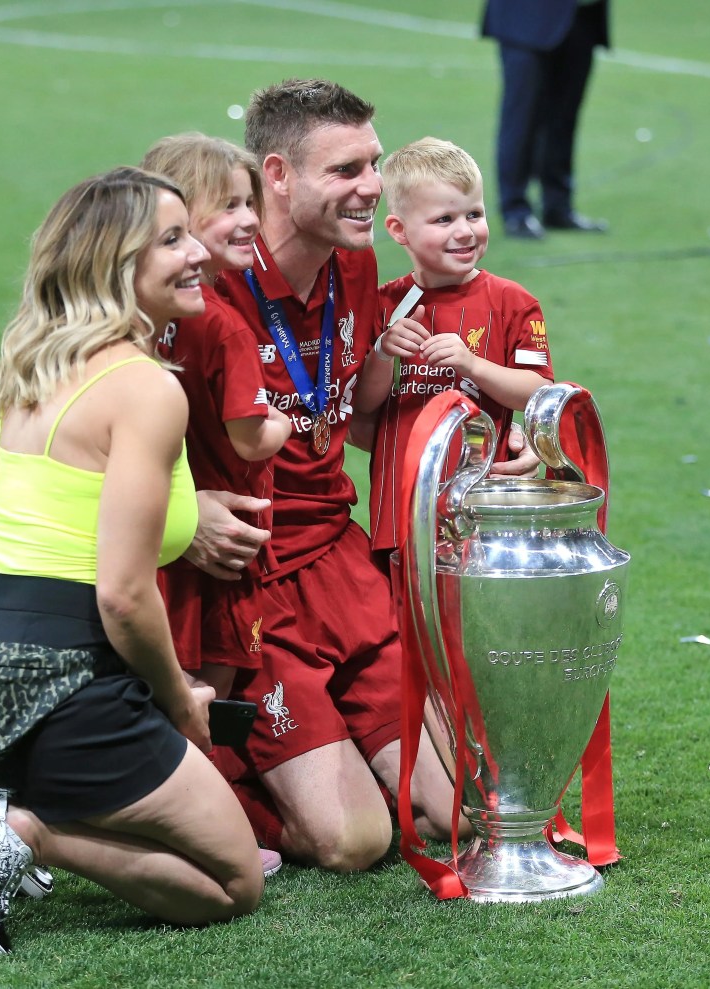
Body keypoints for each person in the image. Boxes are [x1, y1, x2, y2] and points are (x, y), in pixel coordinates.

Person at [0, 167, 272, 956]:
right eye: (173, 240)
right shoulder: (145, 388)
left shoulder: (35, 358)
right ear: (117, 263)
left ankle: (32, 808)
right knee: (235, 881)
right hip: (68, 687)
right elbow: (121, 594)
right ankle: (21, 830)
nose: (201, 256)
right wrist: (177, 696)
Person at [188, 78, 460, 872]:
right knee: (355, 839)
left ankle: (325, 744)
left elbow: (353, 413)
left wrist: (478, 446)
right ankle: (202, 780)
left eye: (373, 164)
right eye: (346, 171)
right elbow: (108, 412)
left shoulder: (357, 262)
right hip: (252, 580)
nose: (373, 187)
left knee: (454, 808)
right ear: (277, 175)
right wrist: (185, 505)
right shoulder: (203, 278)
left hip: (339, 562)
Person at [139, 134, 292, 699]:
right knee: (208, 700)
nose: (250, 219)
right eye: (228, 206)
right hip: (227, 542)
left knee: (161, 685)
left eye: (250, 202)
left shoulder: (141, 315)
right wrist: (283, 420)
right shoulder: (223, 324)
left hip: (162, 540)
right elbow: (252, 441)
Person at [355, 137, 556, 555]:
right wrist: (381, 353)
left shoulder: (514, 302)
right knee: (402, 617)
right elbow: (361, 408)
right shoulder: (381, 305)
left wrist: (473, 365)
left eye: (474, 214)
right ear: (399, 230)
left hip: (485, 513)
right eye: (444, 219)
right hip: (400, 507)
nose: (465, 231)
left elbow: (538, 393)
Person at [481, 0, 610, 239]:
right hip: (527, 17)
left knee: (564, 118)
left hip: (581, 17)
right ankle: (515, 210)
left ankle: (558, 206)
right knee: (521, 118)